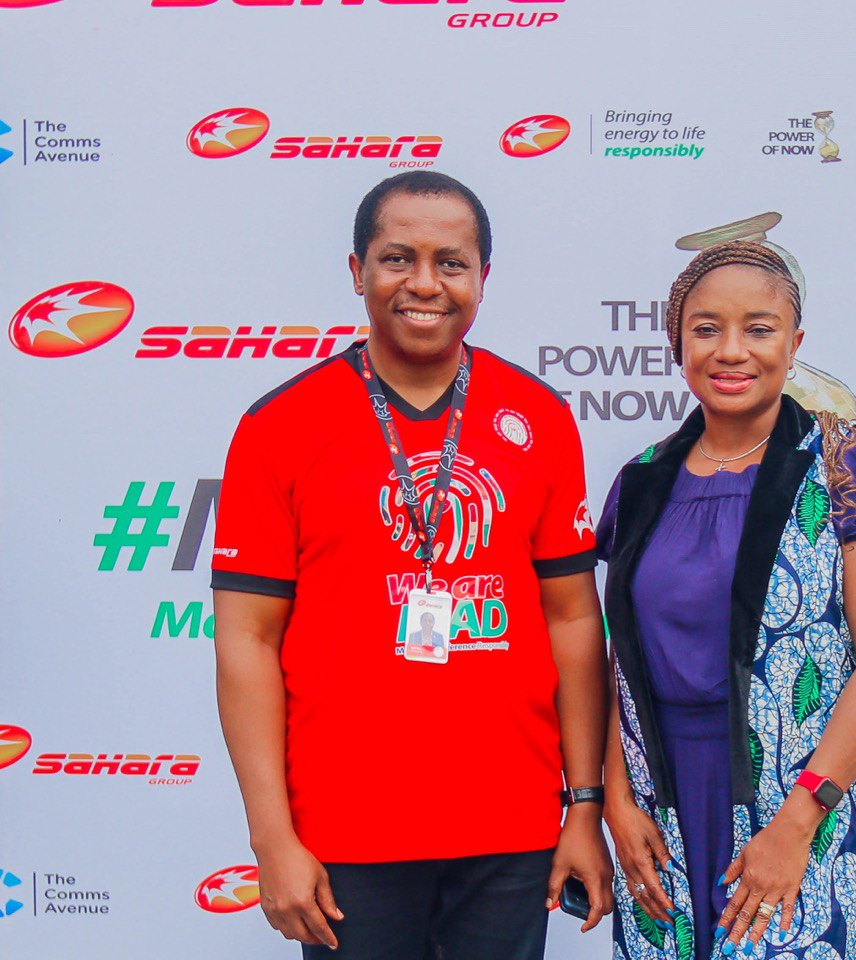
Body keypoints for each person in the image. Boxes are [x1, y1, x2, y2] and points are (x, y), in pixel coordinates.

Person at [211, 171, 613, 960]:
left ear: (482, 278)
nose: (425, 284)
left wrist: (584, 806)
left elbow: (571, 618)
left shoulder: (539, 418)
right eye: (398, 258)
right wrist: (271, 838)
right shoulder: (279, 426)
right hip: (343, 836)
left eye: (450, 263)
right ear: (357, 271)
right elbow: (246, 641)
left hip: (511, 831)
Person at [597, 241, 856, 959]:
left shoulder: (845, 468)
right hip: (662, 805)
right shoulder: (643, 480)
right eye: (706, 329)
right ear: (678, 344)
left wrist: (798, 823)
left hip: (801, 800)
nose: (731, 351)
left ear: (794, 343)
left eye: (759, 328)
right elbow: (620, 662)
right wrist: (616, 802)